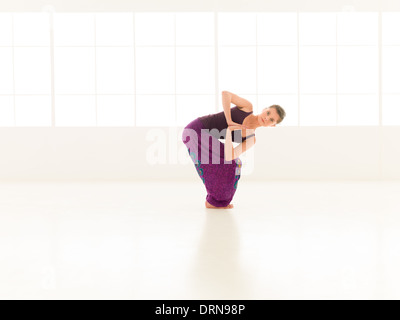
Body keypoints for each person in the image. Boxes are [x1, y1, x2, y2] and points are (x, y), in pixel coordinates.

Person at [182, 91, 286, 209]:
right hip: (194, 131)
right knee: (226, 162)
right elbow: (226, 94)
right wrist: (229, 120)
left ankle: (217, 200)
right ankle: (215, 200)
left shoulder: (251, 139)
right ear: (264, 109)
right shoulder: (247, 107)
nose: (266, 118)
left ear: (272, 126)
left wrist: (229, 131)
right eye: (268, 113)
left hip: (204, 138)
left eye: (271, 120)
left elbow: (230, 156)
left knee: (234, 163)